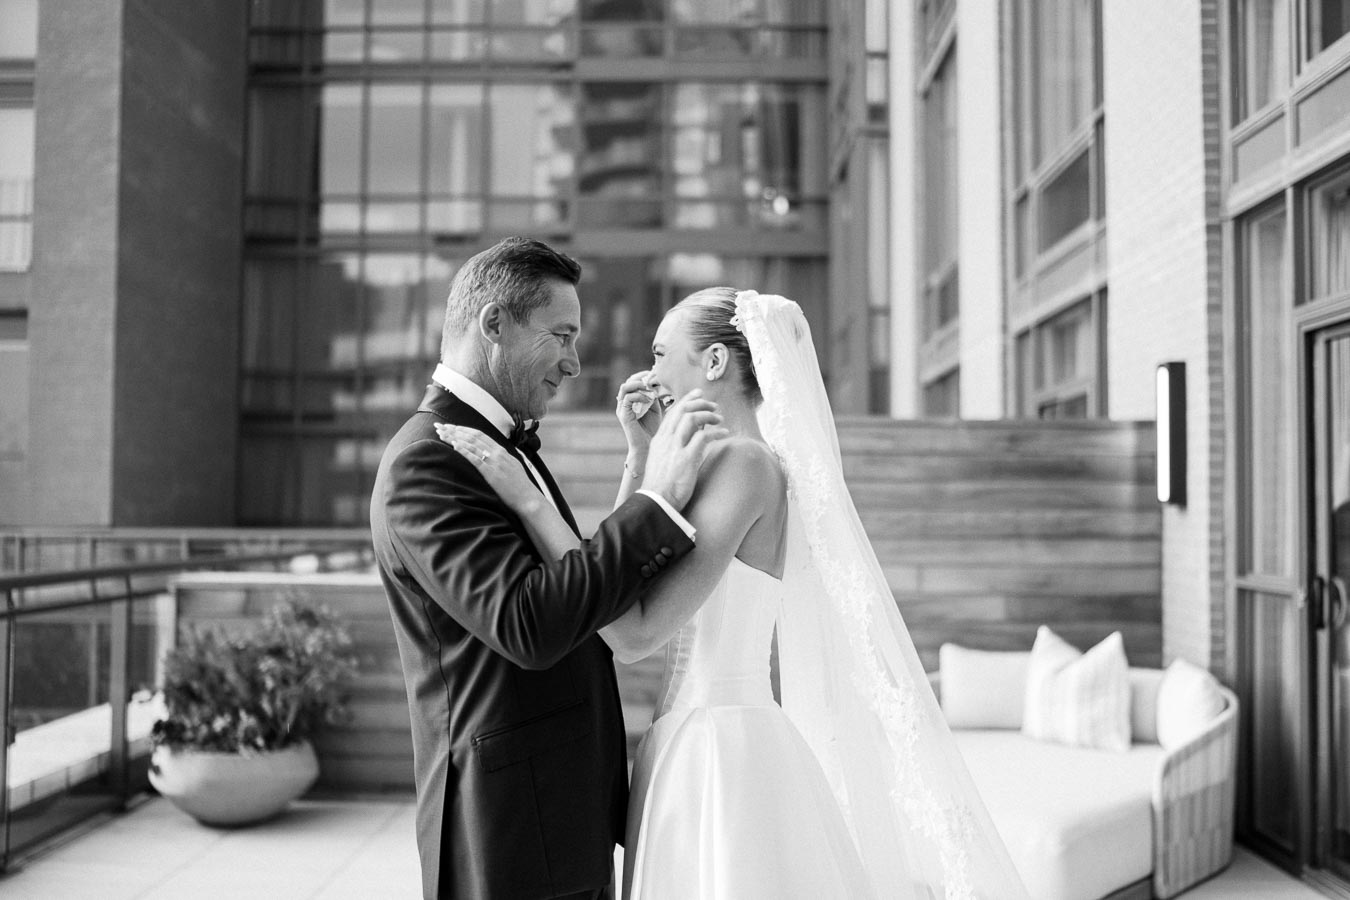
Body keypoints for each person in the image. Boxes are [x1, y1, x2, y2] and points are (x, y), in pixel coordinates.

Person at [440, 288, 1032, 899]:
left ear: (715, 363)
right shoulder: (704, 463)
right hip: (684, 744)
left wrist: (528, 501)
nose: (649, 374)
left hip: (720, 755)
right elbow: (606, 576)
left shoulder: (747, 467)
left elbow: (630, 631)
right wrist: (639, 456)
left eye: (662, 352)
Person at [369, 236, 728, 900]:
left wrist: (643, 468)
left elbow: (578, 587)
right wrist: (661, 498)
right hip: (507, 834)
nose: (574, 360)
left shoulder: (497, 445)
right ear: (495, 325)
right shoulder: (427, 463)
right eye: (561, 335)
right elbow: (529, 622)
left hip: (559, 814)